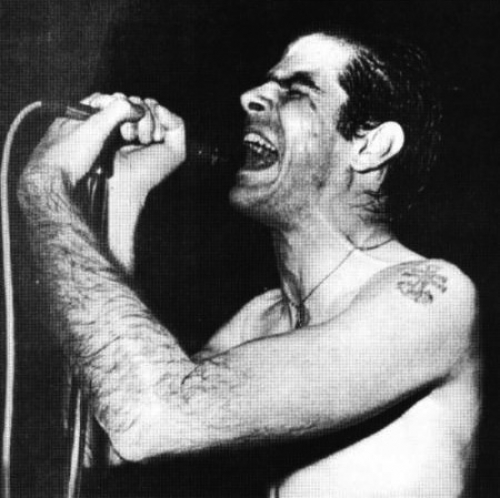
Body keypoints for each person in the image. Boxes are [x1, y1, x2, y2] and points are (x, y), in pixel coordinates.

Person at [18, 30, 480, 497]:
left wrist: (45, 189)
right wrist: (125, 194)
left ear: (371, 146)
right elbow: (106, 438)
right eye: (267, 82)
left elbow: (153, 418)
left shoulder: (432, 298)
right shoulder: (261, 319)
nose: (251, 97)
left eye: (296, 90)